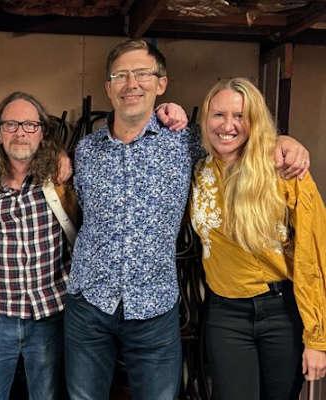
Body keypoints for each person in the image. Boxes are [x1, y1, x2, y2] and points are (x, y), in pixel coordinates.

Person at [64, 39, 310, 400]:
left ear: (161, 83)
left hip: (154, 306)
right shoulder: (86, 150)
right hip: (89, 304)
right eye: (121, 76)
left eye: (143, 74)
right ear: (108, 87)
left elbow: (239, 139)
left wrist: (284, 141)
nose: (131, 84)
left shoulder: (187, 141)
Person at [190, 77, 326, 400]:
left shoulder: (283, 169)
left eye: (240, 116)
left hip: (281, 312)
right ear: (205, 119)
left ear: (255, 121)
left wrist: (317, 337)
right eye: (218, 115)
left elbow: (313, 252)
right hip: (225, 313)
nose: (228, 126)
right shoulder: (198, 170)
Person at [0, 92, 79, 400]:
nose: (21, 132)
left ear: (43, 132)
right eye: (11, 124)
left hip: (50, 315)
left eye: (30, 125)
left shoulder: (61, 180)